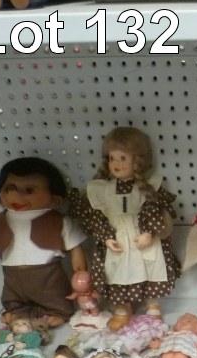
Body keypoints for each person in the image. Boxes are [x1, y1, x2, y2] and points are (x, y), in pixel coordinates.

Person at [74, 127, 180, 331]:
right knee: (116, 272)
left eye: (123, 158)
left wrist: (149, 232)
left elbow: (155, 210)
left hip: (141, 239)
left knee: (150, 269)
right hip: (118, 240)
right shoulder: (102, 189)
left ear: (138, 161)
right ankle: (122, 309)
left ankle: (152, 306)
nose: (116, 164)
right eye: (112, 158)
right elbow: (96, 217)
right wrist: (106, 237)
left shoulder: (148, 187)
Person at [0, 157, 87, 327]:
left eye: (29, 190)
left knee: (54, 295)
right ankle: (15, 310)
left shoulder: (59, 221)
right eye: (9, 188)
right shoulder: (0, 220)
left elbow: (75, 247)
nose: (15, 195)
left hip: (47, 274)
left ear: (55, 199)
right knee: (12, 296)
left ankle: (57, 312)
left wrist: (80, 271)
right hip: (12, 275)